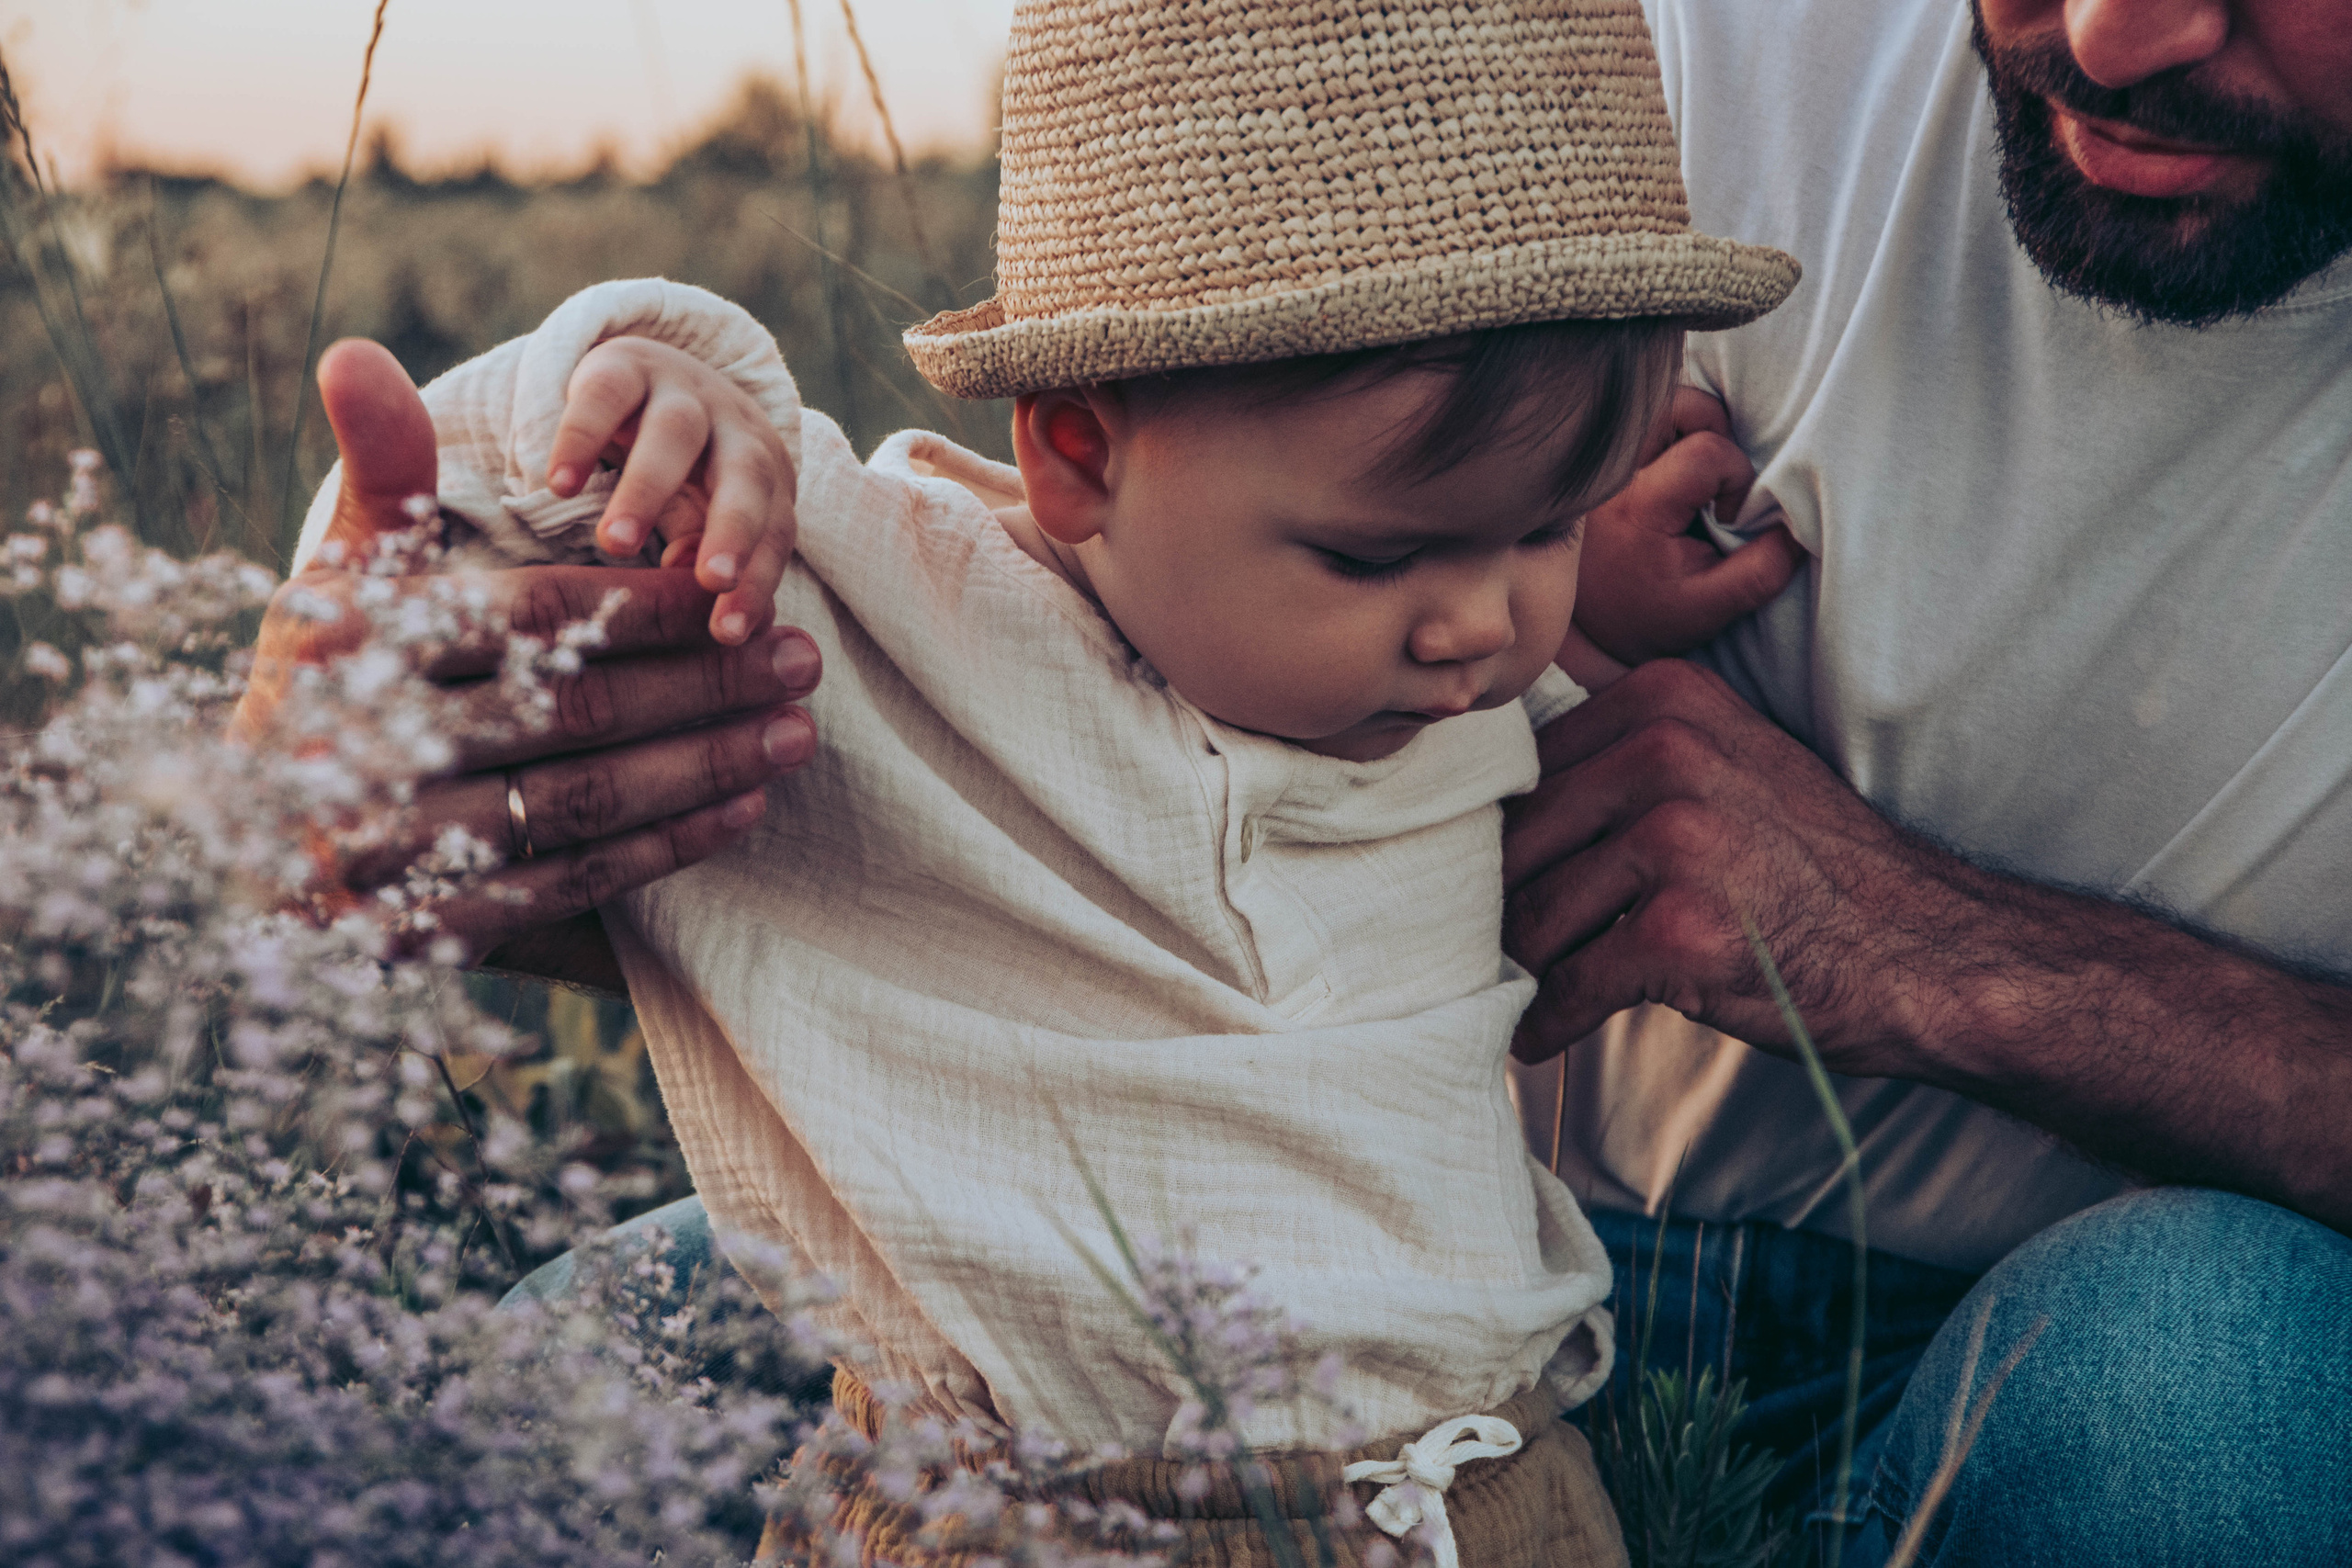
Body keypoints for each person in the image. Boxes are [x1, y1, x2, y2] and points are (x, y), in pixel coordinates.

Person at [272, 0, 1799, 1561]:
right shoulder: (899, 631)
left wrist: (1604, 583)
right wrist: (651, 409)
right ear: (1080, 453)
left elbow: (1521, 596)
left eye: (1544, 530)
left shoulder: (1463, 693)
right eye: (1376, 555)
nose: (1481, 625)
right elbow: (468, 522)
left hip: (1485, 1502)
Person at [1502, 0, 2352, 1562]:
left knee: (2202, 1376)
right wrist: (1510, 546)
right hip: (1501, 1268)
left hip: (2063, 1402)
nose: (2108, 39)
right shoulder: (1678, 34)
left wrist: (1922, 954)